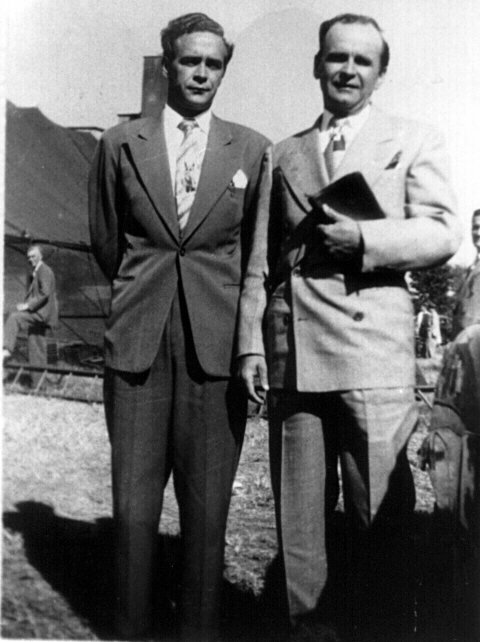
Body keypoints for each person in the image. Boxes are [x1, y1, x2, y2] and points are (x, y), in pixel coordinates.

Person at [237, 13, 461, 641]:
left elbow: (443, 231)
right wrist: (251, 345)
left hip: (371, 355)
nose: (348, 70)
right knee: (299, 522)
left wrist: (366, 239)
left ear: (381, 74)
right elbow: (259, 263)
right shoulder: (282, 154)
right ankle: (306, 631)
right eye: (337, 58)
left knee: (378, 516)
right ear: (318, 65)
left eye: (363, 61)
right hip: (296, 353)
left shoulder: (413, 138)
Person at [88, 12, 269, 642]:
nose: (201, 73)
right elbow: (107, 241)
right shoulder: (121, 143)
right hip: (138, 342)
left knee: (208, 511)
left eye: (213, 63)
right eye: (190, 60)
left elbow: (258, 254)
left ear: (224, 70)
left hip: (214, 350)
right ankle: (130, 628)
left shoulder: (252, 150)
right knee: (134, 508)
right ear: (167, 65)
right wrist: (144, 292)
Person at [3, 244, 58, 377]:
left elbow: (45, 293)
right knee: (36, 347)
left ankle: (6, 349)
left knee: (14, 317)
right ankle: (38, 383)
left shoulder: (43, 270)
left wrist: (27, 306)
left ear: (41, 256)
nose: (30, 259)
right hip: (41, 313)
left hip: (41, 314)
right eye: (28, 257)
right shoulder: (39, 271)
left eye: (33, 256)